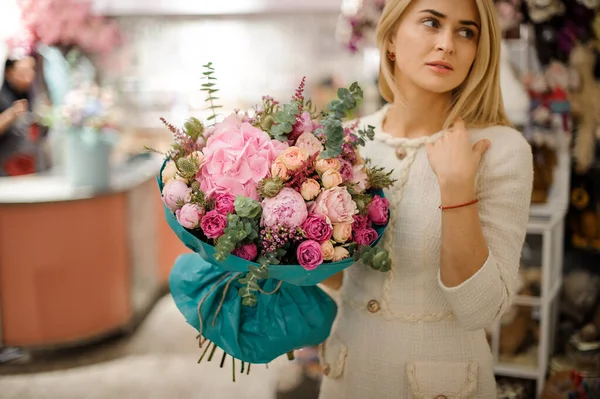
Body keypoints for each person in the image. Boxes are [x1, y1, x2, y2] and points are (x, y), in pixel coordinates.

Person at [318, 0, 533, 398]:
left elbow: (480, 311)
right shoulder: (344, 140)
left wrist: (456, 189)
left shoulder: (501, 150)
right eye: (432, 23)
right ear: (392, 38)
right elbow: (333, 277)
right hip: (345, 377)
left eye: (466, 32)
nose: (448, 43)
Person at [0, 56, 47, 176]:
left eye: (32, 70)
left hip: (30, 168)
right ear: (9, 72)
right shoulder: (2, 98)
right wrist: (11, 114)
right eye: (24, 71)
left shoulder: (31, 95)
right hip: (6, 172)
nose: (30, 75)